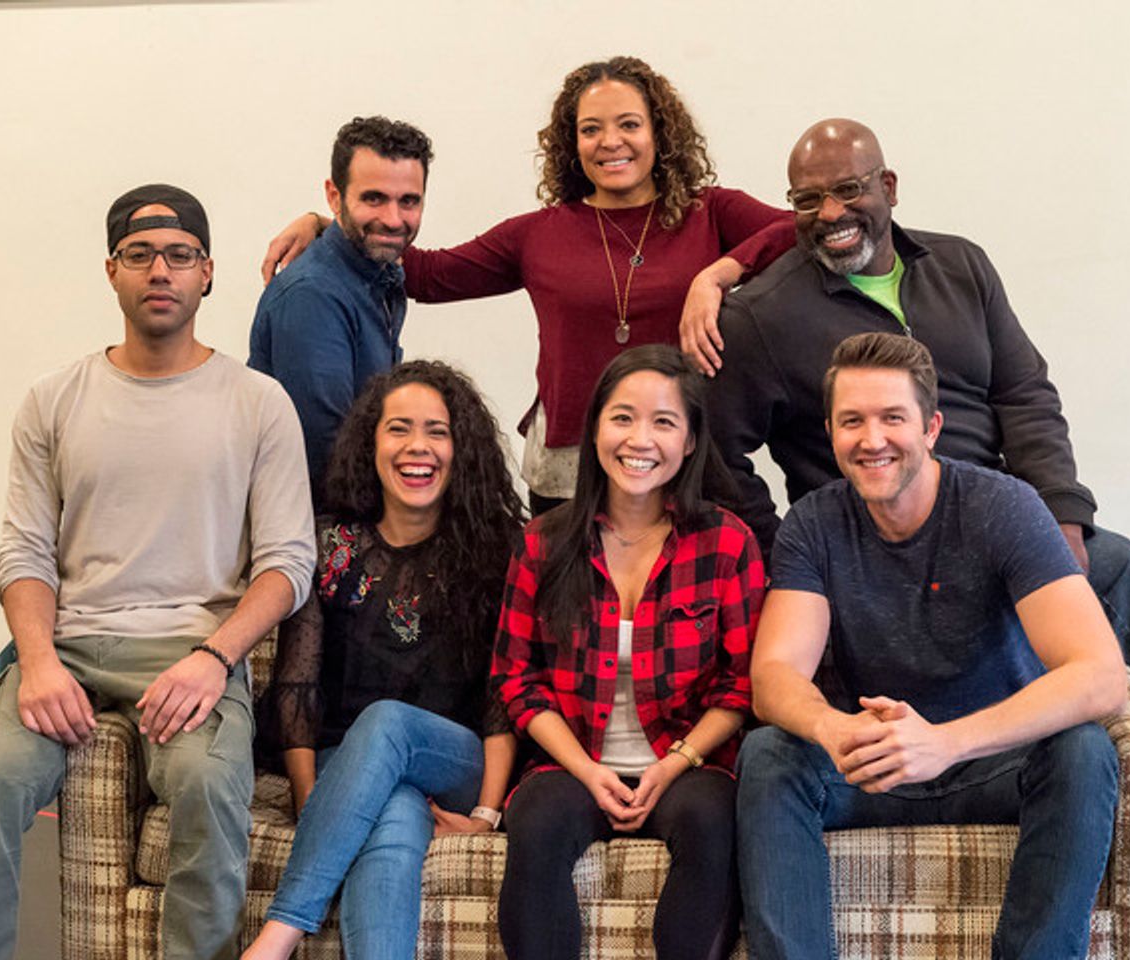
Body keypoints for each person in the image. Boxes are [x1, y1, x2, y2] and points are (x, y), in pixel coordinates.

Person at [706, 117, 1130, 717]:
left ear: (889, 187)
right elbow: (719, 455)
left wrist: (1060, 515)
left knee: (1122, 567)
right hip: (872, 546)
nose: (831, 212)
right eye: (807, 199)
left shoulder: (962, 267)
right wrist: (792, 560)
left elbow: (1025, 394)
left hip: (997, 525)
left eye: (849, 189)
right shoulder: (761, 317)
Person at [0, 184, 316, 960]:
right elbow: (24, 553)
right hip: (68, 649)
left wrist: (213, 659)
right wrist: (37, 663)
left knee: (207, 786)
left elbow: (288, 564)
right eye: (139, 255)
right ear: (111, 271)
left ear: (207, 272)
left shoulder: (258, 403)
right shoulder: (52, 400)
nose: (160, 270)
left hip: (192, 653)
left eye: (179, 255)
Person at [261, 56, 796, 514]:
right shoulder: (540, 233)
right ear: (572, 142)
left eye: (629, 124)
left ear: (659, 132)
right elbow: (426, 273)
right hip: (569, 468)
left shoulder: (711, 213)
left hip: (678, 452)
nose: (610, 141)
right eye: (591, 129)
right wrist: (326, 224)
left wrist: (718, 274)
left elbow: (804, 229)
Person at [738, 332, 1126, 960]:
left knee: (1083, 750)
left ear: (931, 427)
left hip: (990, 759)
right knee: (769, 754)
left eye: (892, 418)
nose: (872, 439)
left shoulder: (1003, 507)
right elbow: (775, 673)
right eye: (852, 421)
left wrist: (945, 742)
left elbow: (1101, 674)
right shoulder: (813, 523)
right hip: (872, 763)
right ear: (831, 433)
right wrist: (834, 728)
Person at [241, 360, 525, 960]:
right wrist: (316, 803)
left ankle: (277, 936)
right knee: (394, 818)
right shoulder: (329, 543)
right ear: (370, 444)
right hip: (347, 759)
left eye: (437, 431)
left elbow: (505, 694)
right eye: (399, 428)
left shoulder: (497, 548)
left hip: (457, 758)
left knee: (389, 721)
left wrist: (486, 813)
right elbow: (297, 687)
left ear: (461, 449)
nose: (417, 446)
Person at [490, 344, 765, 960]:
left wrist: (676, 763)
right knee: (536, 819)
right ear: (594, 430)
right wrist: (587, 770)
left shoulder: (727, 542)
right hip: (574, 764)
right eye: (622, 418)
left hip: (688, 765)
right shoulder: (541, 543)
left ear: (690, 442)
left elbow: (742, 683)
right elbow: (516, 679)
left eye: (663, 422)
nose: (640, 439)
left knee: (711, 820)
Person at [249, 116, 433, 502]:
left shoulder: (378, 271)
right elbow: (329, 460)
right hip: (321, 521)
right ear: (334, 197)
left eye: (409, 201)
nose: (393, 219)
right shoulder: (312, 296)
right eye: (374, 198)